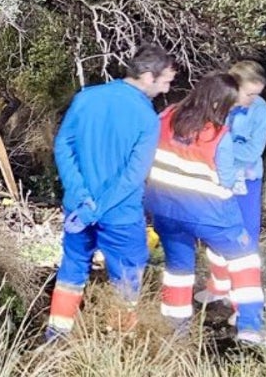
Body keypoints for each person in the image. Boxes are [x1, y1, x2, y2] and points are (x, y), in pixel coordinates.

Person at [44, 43, 176, 340]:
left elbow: (63, 146)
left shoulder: (86, 99)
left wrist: (80, 198)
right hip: (120, 215)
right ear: (147, 76)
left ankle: (56, 335)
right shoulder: (145, 117)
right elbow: (133, 176)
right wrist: (97, 207)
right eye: (165, 81)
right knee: (126, 279)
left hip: (77, 210)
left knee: (73, 268)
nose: (166, 89)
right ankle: (116, 343)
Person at [145, 72, 266, 349]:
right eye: (231, 106)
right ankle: (250, 327)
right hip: (210, 214)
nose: (234, 111)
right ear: (219, 104)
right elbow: (227, 178)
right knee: (245, 261)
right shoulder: (218, 135)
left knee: (178, 270)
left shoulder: (167, 115)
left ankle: (175, 334)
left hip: (165, 210)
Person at [197, 60, 266, 305]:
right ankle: (218, 288)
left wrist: (223, 150)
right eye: (248, 94)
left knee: (246, 238)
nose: (252, 99)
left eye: (257, 94)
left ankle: (243, 305)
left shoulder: (260, 109)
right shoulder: (217, 104)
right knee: (217, 234)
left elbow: (253, 152)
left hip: (247, 180)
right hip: (216, 179)